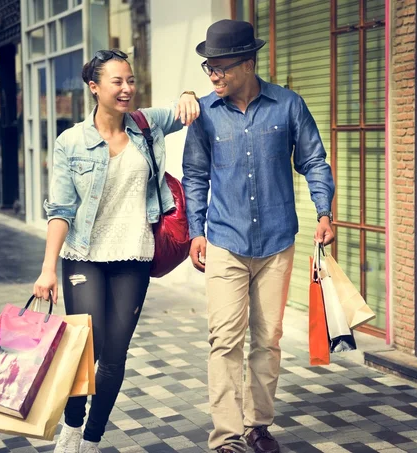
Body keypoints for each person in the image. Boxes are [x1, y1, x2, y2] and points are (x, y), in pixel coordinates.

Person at [32, 49, 199, 453]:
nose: (127, 89)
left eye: (130, 80)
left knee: (115, 353)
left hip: (135, 255)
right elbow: (60, 211)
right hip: (84, 255)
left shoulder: (145, 126)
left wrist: (190, 91)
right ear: (94, 87)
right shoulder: (70, 142)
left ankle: (92, 437)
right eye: (117, 82)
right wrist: (47, 269)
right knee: (84, 348)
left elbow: (192, 109)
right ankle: (71, 428)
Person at [182, 20, 335, 453]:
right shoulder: (205, 115)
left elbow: (314, 161)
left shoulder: (288, 106)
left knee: (268, 339)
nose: (213, 76)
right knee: (225, 339)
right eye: (208, 68)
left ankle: (258, 425)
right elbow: (194, 175)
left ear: (248, 63)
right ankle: (227, 437)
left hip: (276, 243)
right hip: (225, 242)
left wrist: (324, 211)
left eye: (221, 68)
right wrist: (197, 232)